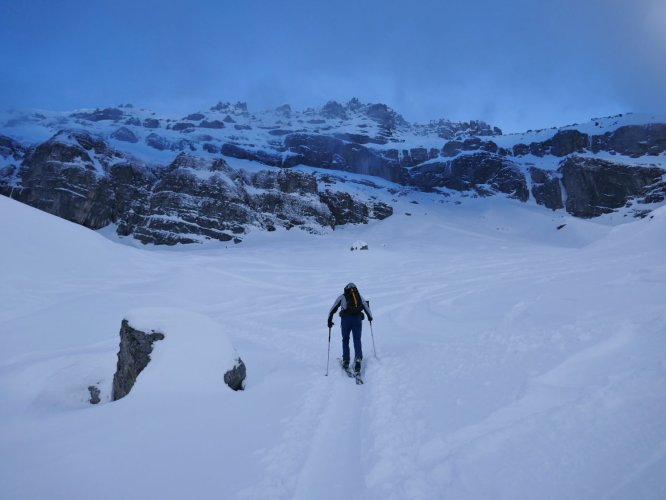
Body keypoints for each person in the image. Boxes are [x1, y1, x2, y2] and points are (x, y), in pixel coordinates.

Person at [327, 282, 373, 373]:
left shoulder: (342, 296)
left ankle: (346, 360)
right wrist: (369, 317)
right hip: (357, 319)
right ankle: (358, 359)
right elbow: (366, 306)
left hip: (346, 320)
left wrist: (329, 320)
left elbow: (333, 308)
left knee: (345, 339)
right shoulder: (358, 295)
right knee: (357, 339)